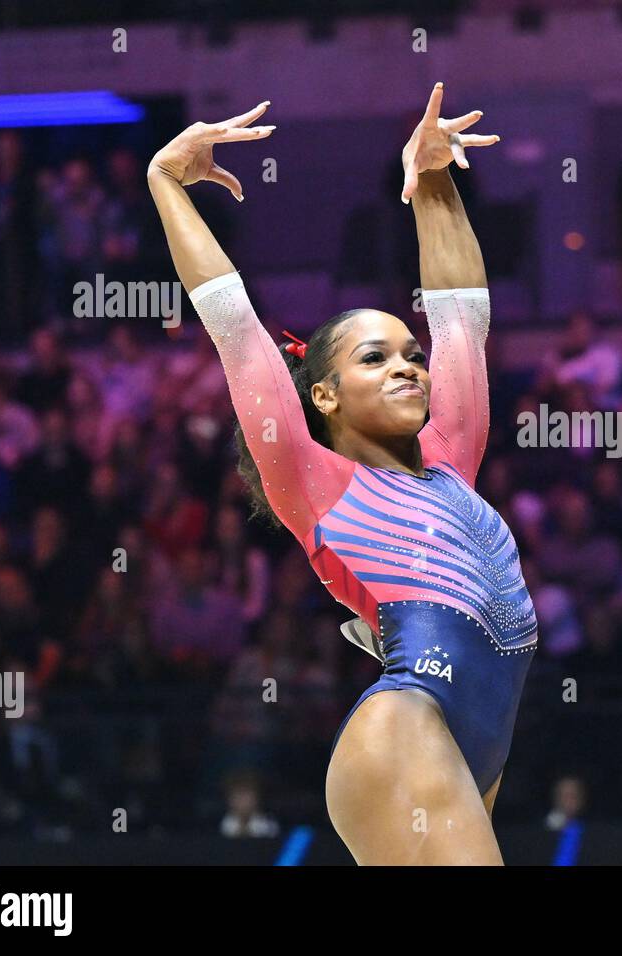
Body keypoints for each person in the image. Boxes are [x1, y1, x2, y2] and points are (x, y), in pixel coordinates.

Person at [147, 84, 538, 865]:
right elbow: (236, 330)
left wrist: (429, 180)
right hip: (405, 731)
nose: (407, 367)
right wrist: (165, 180)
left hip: (472, 742)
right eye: (374, 357)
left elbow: (462, 316)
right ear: (322, 395)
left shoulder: (452, 454)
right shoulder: (312, 479)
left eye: (409, 356)